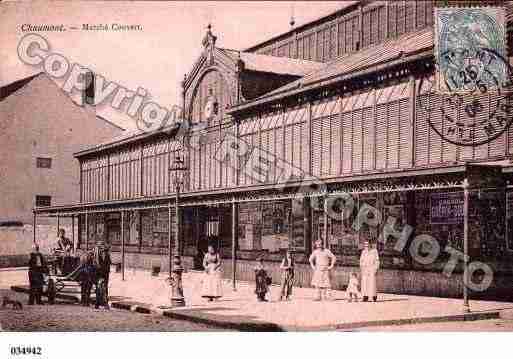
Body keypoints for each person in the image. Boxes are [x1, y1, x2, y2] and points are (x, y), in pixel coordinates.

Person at [93, 244, 111, 309]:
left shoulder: (107, 256)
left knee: (103, 288)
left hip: (105, 273)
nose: (104, 251)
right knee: (100, 288)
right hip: (100, 273)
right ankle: (100, 303)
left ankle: (100, 303)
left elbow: (108, 264)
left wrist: (106, 272)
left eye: (105, 250)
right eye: (102, 250)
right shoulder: (97, 256)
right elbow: (97, 265)